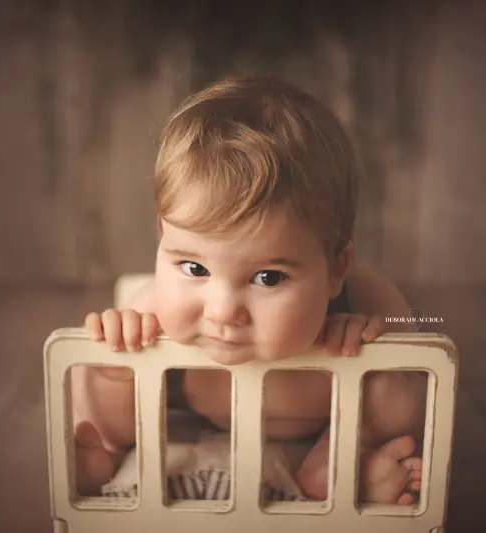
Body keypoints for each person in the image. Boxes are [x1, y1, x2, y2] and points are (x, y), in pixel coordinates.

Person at [72, 75, 426, 505]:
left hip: (325, 424)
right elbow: (120, 423)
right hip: (210, 422)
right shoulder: (155, 310)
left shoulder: (365, 297)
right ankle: (102, 466)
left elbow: (415, 398)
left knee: (388, 390)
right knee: (108, 401)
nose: (221, 311)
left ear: (336, 269)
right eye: (194, 267)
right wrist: (116, 375)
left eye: (268, 278)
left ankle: (345, 457)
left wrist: (374, 348)